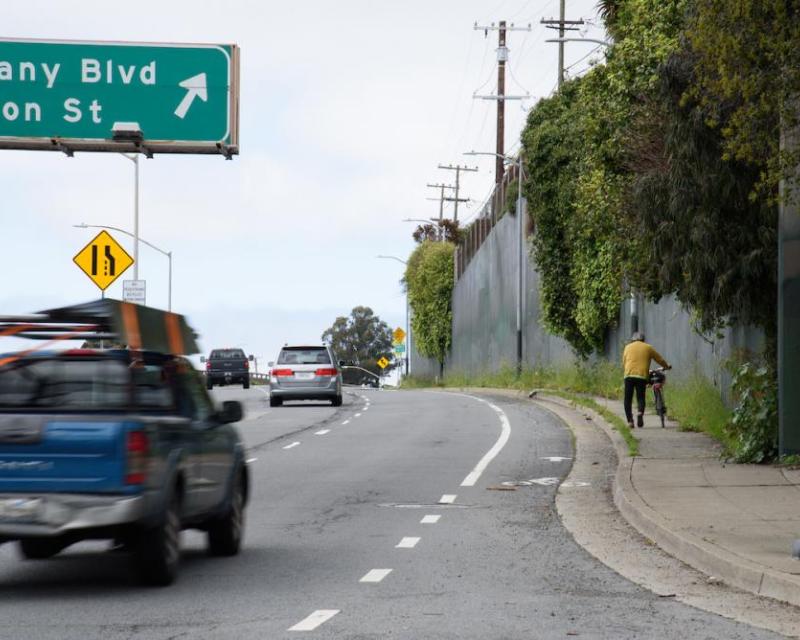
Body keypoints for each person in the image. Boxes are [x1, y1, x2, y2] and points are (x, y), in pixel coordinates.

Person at [622, 332, 670, 429]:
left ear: (633, 340)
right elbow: (659, 359)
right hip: (642, 376)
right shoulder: (648, 347)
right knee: (640, 397)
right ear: (643, 339)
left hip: (629, 375)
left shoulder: (627, 347)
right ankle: (640, 412)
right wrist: (666, 366)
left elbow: (624, 361)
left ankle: (630, 421)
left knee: (627, 399)